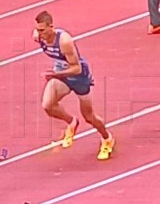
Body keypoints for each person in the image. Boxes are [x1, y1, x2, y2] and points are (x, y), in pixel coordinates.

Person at [33, 10, 114, 160]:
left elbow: (76, 68)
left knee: (89, 117)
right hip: (61, 74)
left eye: (43, 30)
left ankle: (107, 138)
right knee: (48, 105)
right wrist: (57, 74)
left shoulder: (64, 41)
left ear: (52, 27)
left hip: (79, 77)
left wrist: (56, 74)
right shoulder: (38, 37)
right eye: (38, 30)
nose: (40, 34)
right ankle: (72, 122)